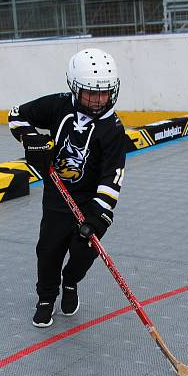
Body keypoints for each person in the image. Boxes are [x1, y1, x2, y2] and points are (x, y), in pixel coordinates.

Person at [9, 48, 130, 328]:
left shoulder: (113, 129)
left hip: (91, 202)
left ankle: (72, 282)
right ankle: (46, 298)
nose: (99, 99)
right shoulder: (59, 106)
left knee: (84, 252)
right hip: (57, 197)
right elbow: (16, 115)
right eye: (90, 92)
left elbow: (112, 177)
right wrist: (32, 140)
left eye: (105, 92)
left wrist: (98, 215)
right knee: (48, 251)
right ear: (74, 87)